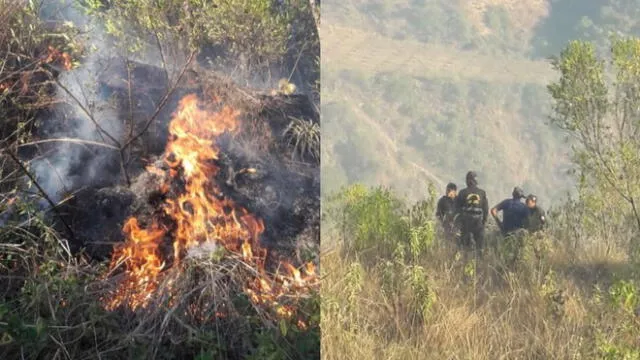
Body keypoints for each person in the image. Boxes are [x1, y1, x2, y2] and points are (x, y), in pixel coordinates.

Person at [455, 171, 489, 256]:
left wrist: (458, 223)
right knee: (480, 247)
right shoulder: (482, 193)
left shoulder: (462, 192)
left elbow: (457, 209)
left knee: (464, 247)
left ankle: (464, 261)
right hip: (478, 222)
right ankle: (479, 263)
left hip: (466, 222)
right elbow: (486, 209)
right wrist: (484, 222)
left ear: (468, 180)